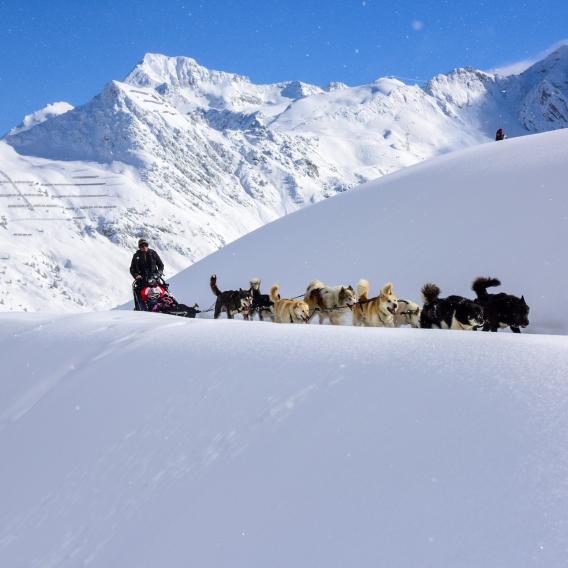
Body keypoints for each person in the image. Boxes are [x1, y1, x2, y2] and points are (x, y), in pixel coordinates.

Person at [130, 238, 164, 310]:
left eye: (145, 245)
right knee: (138, 292)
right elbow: (132, 269)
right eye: (142, 246)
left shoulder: (153, 253)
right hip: (142, 280)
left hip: (155, 279)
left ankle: (172, 305)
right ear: (139, 247)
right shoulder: (136, 256)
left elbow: (161, 265)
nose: (144, 247)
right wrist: (136, 275)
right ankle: (143, 310)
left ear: (147, 245)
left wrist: (158, 274)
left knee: (164, 290)